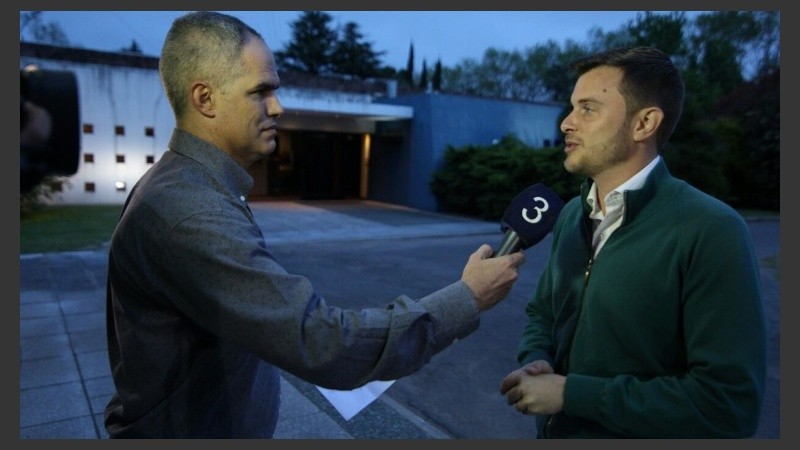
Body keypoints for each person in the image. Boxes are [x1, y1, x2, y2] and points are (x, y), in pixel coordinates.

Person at [103, 11, 525, 439]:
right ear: (205, 99)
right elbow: (324, 343)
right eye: (260, 92)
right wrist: (467, 297)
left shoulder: (189, 186)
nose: (277, 107)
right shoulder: (189, 211)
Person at [498, 46, 766, 438]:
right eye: (572, 107)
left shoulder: (712, 230)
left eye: (588, 109)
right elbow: (543, 314)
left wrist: (574, 395)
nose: (567, 123)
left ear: (645, 123)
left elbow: (728, 404)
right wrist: (538, 360)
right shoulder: (572, 214)